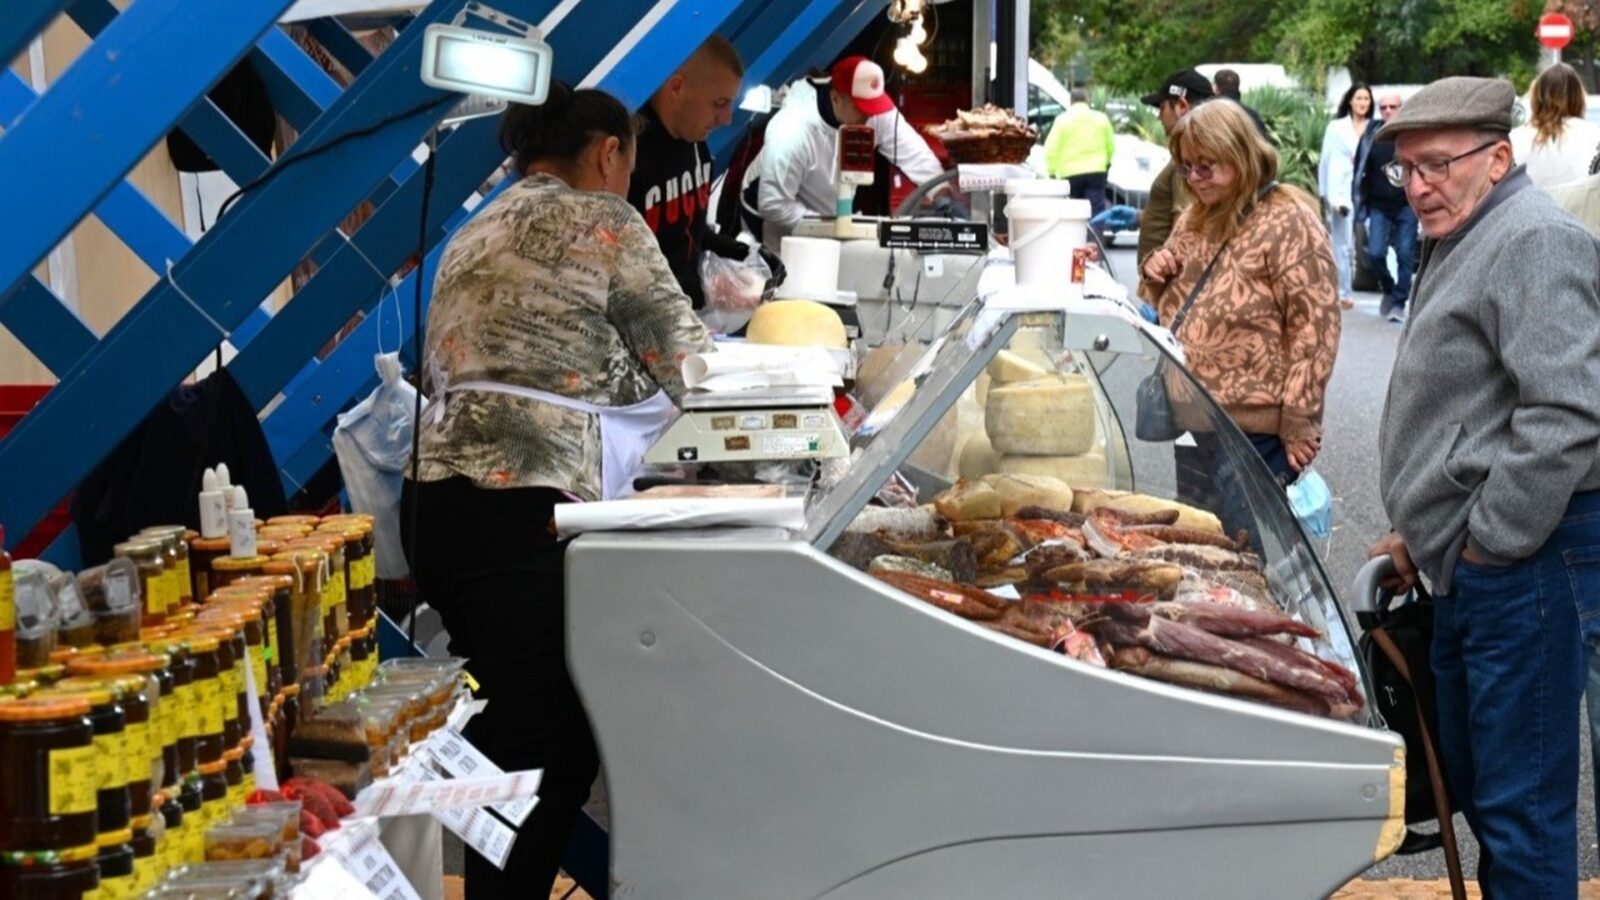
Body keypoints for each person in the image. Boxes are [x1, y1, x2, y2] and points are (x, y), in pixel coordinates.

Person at [403, 84, 714, 898]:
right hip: (518, 514)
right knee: (539, 749)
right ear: (609, 151)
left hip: (439, 509)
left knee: (524, 738)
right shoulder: (605, 222)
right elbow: (692, 367)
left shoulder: (472, 229)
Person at [1366, 76, 1600, 898]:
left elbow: (1570, 411)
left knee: (1520, 810)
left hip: (1526, 563)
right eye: (1406, 171)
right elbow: (1477, 411)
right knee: (1493, 791)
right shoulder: (1466, 231)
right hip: (1488, 564)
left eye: (1437, 165)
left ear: (1498, 157)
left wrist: (1490, 542)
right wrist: (1423, 537)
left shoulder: (1532, 238)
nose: (1419, 186)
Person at [1139, 100, 1339, 537]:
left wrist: (1301, 419)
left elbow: (1316, 324)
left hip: (1254, 434)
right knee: (1202, 550)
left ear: (1240, 156)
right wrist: (1156, 270)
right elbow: (1169, 299)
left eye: (1206, 167)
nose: (1194, 178)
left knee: (1249, 561)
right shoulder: (1195, 216)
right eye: (1186, 167)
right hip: (1194, 421)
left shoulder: (1288, 219)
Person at [628, 36, 783, 309]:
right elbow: (622, 265)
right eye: (719, 103)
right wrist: (708, 290)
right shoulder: (630, 154)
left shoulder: (696, 142)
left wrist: (744, 252)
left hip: (685, 315)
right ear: (676, 87)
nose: (726, 119)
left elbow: (690, 231)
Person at [747, 56, 943, 251]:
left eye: (874, 108)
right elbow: (773, 204)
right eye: (861, 109)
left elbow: (915, 154)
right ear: (835, 98)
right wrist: (829, 226)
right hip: (770, 219)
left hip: (828, 215)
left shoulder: (872, 111)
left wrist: (943, 192)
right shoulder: (792, 129)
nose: (869, 117)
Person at [1131, 68, 1214, 269]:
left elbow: (1185, 221)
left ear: (1181, 106)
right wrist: (1139, 217)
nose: (1159, 117)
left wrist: (1171, 290)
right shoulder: (1199, 149)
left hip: (1169, 282)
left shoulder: (1189, 155)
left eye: (1162, 107)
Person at [1353, 92, 1417, 322]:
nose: (1388, 111)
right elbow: (1360, 169)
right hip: (1378, 205)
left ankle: (1399, 301)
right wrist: (1359, 201)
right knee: (1376, 253)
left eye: (1393, 107)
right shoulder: (1371, 135)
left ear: (1402, 108)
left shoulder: (1410, 135)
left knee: (1405, 253)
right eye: (1384, 108)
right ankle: (1389, 289)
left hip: (1406, 205)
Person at [1319, 83, 1375, 311]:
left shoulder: (1375, 127)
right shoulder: (1336, 128)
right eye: (1359, 98)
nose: (1362, 103)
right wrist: (1325, 193)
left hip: (1367, 191)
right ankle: (1343, 291)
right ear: (1350, 101)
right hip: (1340, 192)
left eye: (1366, 99)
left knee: (1373, 240)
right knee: (1342, 245)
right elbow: (1325, 160)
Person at [1510, 62, 1600, 189]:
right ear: (1579, 97)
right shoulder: (1594, 135)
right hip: (1580, 208)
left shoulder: (1514, 140)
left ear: (1537, 97)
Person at [1044, 87, 1116, 218]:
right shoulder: (1102, 119)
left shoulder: (1062, 120)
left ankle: (1075, 237)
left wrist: (1052, 172)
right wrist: (1107, 163)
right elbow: (1110, 145)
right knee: (1096, 212)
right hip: (1096, 171)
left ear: (1071, 101)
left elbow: (1051, 148)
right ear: (1087, 100)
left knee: (1073, 214)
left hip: (1070, 174)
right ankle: (1095, 238)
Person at [1212, 67, 1271, 141]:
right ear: (1237, 87)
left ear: (1216, 89)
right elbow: (1263, 140)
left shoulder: (1210, 115)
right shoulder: (1252, 114)